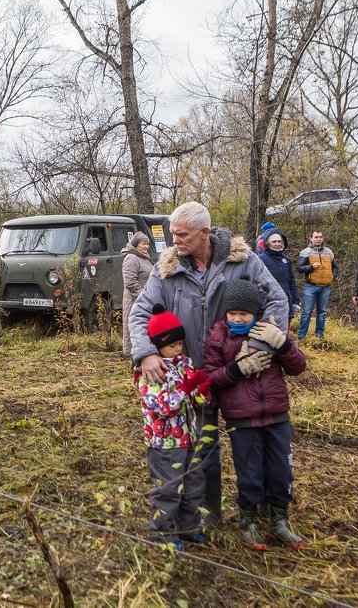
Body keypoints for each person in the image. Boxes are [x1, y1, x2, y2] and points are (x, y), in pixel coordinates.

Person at [129, 202, 289, 526]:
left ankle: (264, 512)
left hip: (240, 376)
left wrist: (257, 347)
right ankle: (207, 517)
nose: (175, 240)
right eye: (173, 234)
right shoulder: (166, 269)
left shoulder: (243, 261)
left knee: (255, 444)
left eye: (182, 234)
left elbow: (277, 300)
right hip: (192, 380)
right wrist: (146, 352)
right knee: (204, 449)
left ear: (204, 232)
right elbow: (140, 313)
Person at [202, 276, 307, 550]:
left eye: (243, 314)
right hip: (242, 419)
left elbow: (298, 366)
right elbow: (209, 379)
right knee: (249, 473)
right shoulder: (218, 336)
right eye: (232, 313)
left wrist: (283, 344)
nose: (237, 319)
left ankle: (280, 521)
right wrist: (237, 370)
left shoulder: (267, 331)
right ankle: (248, 523)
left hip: (277, 415)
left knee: (281, 471)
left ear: (256, 312)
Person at [135, 304, 212, 549]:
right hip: (164, 442)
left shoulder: (185, 363)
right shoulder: (150, 372)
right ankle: (163, 534)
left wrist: (200, 393)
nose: (178, 349)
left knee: (194, 483)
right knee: (169, 488)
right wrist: (185, 391)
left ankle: (188, 527)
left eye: (180, 343)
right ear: (158, 346)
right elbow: (161, 406)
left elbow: (193, 399)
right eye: (172, 345)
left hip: (189, 437)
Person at [296, 230, 336, 340]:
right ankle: (301, 337)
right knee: (307, 312)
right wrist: (311, 267)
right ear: (311, 238)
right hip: (311, 286)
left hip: (325, 287)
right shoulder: (306, 252)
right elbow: (299, 268)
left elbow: (335, 267)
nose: (319, 239)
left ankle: (319, 336)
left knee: (322, 312)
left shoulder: (329, 252)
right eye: (316, 237)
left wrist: (332, 276)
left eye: (320, 237)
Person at [258, 229, 300, 325]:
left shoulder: (286, 259)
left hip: (286, 299)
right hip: (269, 302)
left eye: (279, 241)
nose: (277, 244)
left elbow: (291, 281)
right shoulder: (261, 259)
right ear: (267, 243)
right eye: (274, 241)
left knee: (285, 328)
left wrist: (295, 300)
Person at [121, 231, 153, 356]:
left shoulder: (144, 258)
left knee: (143, 327)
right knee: (133, 326)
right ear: (135, 244)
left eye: (147, 244)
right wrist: (143, 295)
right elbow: (129, 282)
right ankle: (132, 355)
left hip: (144, 299)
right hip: (134, 299)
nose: (146, 246)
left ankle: (143, 353)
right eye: (143, 243)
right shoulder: (131, 258)